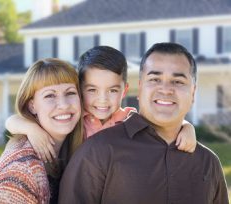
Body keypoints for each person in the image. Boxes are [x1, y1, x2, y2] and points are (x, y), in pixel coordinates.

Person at [58, 43, 229, 204]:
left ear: (193, 93)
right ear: (139, 88)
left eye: (178, 81)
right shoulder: (97, 151)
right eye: (155, 79)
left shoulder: (208, 163)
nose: (165, 89)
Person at [5, 46, 197, 163]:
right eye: (92, 90)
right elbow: (12, 121)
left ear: (124, 90)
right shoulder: (74, 119)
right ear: (79, 90)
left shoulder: (130, 120)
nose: (102, 100)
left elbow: (162, 126)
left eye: (112, 90)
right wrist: (32, 129)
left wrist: (187, 127)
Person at [0, 58, 83, 204]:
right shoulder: (20, 171)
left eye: (70, 93)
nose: (63, 105)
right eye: (50, 95)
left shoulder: (74, 148)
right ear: (32, 106)